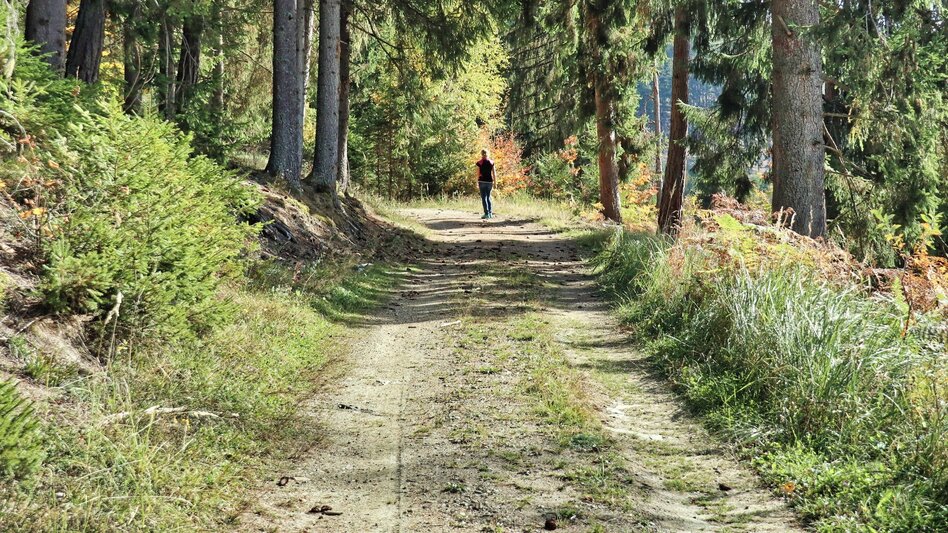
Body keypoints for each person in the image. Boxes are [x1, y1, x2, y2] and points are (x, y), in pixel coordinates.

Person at [475, 149, 496, 219]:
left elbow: (477, 174)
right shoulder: (491, 162)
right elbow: (494, 174)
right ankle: (490, 213)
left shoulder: (479, 163)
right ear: (488, 154)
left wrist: (476, 182)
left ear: (481, 154)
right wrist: (495, 183)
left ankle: (486, 213)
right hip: (490, 182)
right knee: (488, 197)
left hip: (482, 181)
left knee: (484, 198)